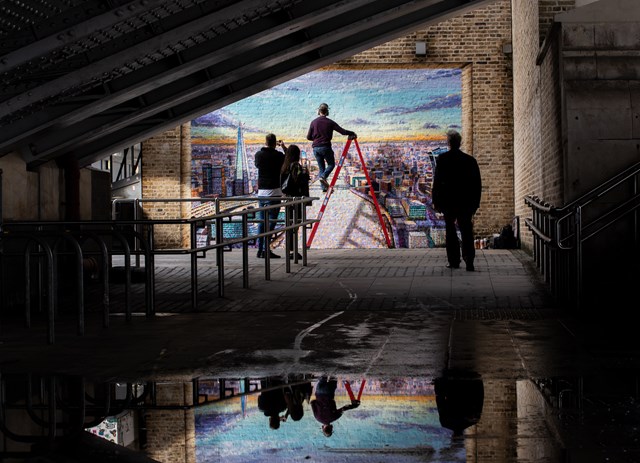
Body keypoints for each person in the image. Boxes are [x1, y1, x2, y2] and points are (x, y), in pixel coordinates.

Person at [431, 129, 482, 271]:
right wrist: (475, 203)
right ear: (461, 143)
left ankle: (454, 261)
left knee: (451, 231)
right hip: (465, 202)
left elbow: (437, 182)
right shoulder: (470, 161)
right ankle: (469, 261)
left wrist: (436, 201)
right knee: (466, 231)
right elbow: (476, 184)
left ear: (448, 143)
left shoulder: (442, 159)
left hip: (448, 202)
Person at [306, 103, 357, 192]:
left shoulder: (313, 122)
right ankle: (323, 177)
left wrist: (316, 139)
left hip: (316, 149)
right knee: (331, 164)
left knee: (321, 168)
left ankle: (324, 188)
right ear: (327, 112)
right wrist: (352, 132)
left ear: (319, 111)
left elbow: (308, 137)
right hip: (325, 147)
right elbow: (343, 132)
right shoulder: (330, 122)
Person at [254, 133, 286, 259]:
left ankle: (260, 249)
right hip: (275, 192)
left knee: (262, 222)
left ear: (265, 142)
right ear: (275, 143)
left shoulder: (259, 155)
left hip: (262, 193)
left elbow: (257, 165)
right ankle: (265, 250)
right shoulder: (278, 156)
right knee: (271, 223)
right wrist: (283, 146)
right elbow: (288, 158)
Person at [280, 144, 310, 260]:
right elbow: (297, 180)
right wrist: (305, 174)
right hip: (296, 199)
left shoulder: (284, 166)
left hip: (288, 199)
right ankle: (293, 251)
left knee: (289, 225)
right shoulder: (296, 166)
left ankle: (290, 249)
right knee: (295, 225)